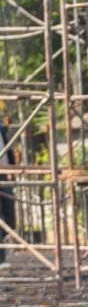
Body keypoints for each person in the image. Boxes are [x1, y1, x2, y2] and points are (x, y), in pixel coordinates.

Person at [0, 112, 15, 270]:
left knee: (10, 218)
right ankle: (0, 259)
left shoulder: (1, 128)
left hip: (3, 174)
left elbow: (8, 150)